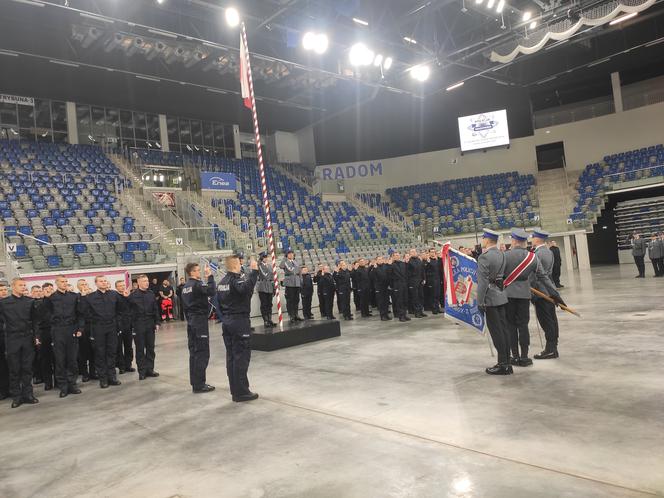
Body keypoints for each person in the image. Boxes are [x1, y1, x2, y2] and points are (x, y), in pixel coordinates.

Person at [504, 229, 564, 367]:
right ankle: (525, 356)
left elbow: (534, 277)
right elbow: (545, 275)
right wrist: (555, 293)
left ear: (513, 241)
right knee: (525, 325)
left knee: (514, 325)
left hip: (529, 293)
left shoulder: (508, 255)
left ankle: (517, 355)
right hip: (530, 293)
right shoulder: (547, 252)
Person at [217, 254, 259, 402]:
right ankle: (241, 392)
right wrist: (254, 272)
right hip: (239, 321)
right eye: (240, 264)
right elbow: (245, 291)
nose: (241, 266)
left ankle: (235, 390)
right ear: (235, 265)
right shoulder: (236, 280)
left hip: (227, 321)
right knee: (241, 357)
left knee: (232, 357)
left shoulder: (222, 282)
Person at [0, 278, 41, 408]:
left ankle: (28, 394)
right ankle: (16, 396)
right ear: (13, 286)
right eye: (20, 285)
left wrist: (36, 336)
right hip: (12, 339)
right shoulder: (3, 303)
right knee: (14, 369)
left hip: (27, 338)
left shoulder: (30, 301)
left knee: (27, 368)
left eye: (24, 285)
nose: (23, 287)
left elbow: (35, 321)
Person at [476, 229, 511, 375]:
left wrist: (480, 301)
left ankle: (503, 365)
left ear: (488, 240)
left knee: (497, 333)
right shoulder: (501, 254)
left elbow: (483, 282)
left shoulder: (484, 257)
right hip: (501, 295)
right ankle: (507, 362)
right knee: (504, 330)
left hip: (490, 298)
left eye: (483, 237)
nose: (482, 240)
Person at [43, 275, 85, 398]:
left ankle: (72, 384)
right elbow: (45, 314)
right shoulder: (50, 298)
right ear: (56, 283)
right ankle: (63, 386)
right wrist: (55, 322)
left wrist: (80, 329)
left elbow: (80, 314)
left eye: (66, 281)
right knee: (60, 360)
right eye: (62, 281)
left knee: (72, 359)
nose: (65, 283)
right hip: (58, 331)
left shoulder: (74, 296)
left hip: (72, 329)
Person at [81, 276, 124, 389]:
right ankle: (103, 379)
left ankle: (112, 377)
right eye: (101, 281)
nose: (104, 282)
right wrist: (95, 320)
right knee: (100, 353)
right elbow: (84, 311)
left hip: (112, 327)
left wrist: (117, 322)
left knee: (112, 352)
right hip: (98, 327)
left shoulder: (114, 294)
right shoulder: (90, 297)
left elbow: (121, 309)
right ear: (96, 283)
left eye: (105, 281)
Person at [181, 262, 216, 393]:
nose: (199, 272)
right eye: (197, 270)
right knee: (202, 352)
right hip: (199, 321)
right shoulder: (197, 284)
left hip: (191, 320)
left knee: (194, 353)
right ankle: (200, 384)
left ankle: (195, 382)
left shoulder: (185, 287)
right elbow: (212, 291)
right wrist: (210, 277)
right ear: (191, 273)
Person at [530, 230, 563, 359]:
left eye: (533, 237)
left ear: (538, 239)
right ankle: (553, 347)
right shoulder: (548, 251)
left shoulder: (538, 254)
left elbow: (536, 275)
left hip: (541, 292)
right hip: (549, 289)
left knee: (546, 320)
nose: (531, 239)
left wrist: (531, 291)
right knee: (552, 319)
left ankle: (550, 349)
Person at [127, 275, 160, 380]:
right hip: (138, 324)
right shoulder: (132, 296)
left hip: (150, 323)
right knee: (140, 349)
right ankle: (142, 371)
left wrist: (157, 322)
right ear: (138, 282)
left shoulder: (151, 294)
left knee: (150, 348)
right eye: (144, 281)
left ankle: (150, 369)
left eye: (147, 281)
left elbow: (155, 309)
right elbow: (128, 312)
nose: (147, 283)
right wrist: (132, 325)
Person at [76, 279, 96, 382]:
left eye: (85, 284)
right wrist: (83, 297)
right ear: (78, 287)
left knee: (94, 351)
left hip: (93, 326)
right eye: (82, 284)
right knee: (83, 352)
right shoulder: (77, 297)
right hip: (83, 328)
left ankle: (93, 372)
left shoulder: (93, 297)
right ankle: (85, 373)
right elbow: (80, 311)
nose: (84, 286)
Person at [37, 282, 55, 391]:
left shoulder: (56, 301)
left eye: (51, 289)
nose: (50, 291)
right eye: (47, 290)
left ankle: (58, 381)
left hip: (56, 331)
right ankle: (48, 382)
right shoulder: (38, 303)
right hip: (44, 332)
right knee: (45, 359)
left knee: (58, 358)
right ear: (43, 291)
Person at [114, 280, 135, 375]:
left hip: (128, 325)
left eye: (123, 285)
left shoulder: (128, 296)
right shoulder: (114, 297)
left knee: (128, 346)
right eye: (120, 286)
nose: (122, 287)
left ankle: (128, 365)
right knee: (119, 347)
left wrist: (128, 297)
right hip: (118, 326)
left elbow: (132, 307)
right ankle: (121, 366)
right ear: (116, 287)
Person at [280, 250, 302, 323]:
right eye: (289, 254)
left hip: (296, 282)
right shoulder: (285, 262)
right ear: (287, 255)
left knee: (296, 299)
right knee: (290, 300)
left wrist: (300, 281)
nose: (291, 255)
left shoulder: (295, 262)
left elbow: (299, 272)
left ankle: (296, 314)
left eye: (292, 253)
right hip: (289, 282)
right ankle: (291, 315)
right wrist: (285, 258)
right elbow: (281, 266)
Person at [257, 252, 276, 327]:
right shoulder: (260, 266)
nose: (266, 258)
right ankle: (265, 320)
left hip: (269, 286)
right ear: (261, 258)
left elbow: (273, 276)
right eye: (264, 257)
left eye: (266, 257)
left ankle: (269, 319)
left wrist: (274, 286)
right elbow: (265, 275)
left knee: (269, 304)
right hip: (263, 286)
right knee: (264, 304)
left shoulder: (270, 266)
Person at [30, 285, 44, 386]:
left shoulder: (45, 302)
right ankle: (38, 375)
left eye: (39, 291)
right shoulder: (30, 304)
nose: (38, 293)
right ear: (32, 293)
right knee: (36, 356)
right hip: (35, 332)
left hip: (46, 331)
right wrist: (36, 335)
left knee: (45, 355)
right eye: (36, 291)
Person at [390, 252, 410, 322]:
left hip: (404, 284)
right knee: (399, 301)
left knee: (405, 300)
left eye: (398, 255)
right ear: (393, 257)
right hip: (397, 285)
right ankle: (400, 316)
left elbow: (407, 273)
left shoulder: (403, 264)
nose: (397, 256)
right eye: (395, 255)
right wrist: (392, 286)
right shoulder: (391, 265)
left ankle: (404, 314)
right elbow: (390, 277)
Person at [407, 249, 426, 318]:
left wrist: (424, 278)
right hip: (413, 281)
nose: (414, 253)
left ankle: (421, 311)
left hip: (420, 281)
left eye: (415, 251)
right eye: (412, 252)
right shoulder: (409, 261)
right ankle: (417, 312)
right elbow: (408, 274)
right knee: (415, 297)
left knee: (421, 296)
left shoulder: (419, 260)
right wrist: (410, 283)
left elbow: (422, 270)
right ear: (410, 253)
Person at [371, 256, 392, 321]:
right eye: (379, 259)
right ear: (376, 261)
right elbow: (372, 277)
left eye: (381, 259)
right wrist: (374, 269)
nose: (380, 260)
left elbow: (388, 275)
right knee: (381, 302)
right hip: (379, 288)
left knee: (386, 302)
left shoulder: (385, 266)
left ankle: (386, 315)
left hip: (386, 286)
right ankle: (382, 315)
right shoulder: (374, 268)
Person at [424, 248, 442, 315]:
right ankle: (434, 309)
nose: (433, 253)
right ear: (429, 253)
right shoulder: (428, 261)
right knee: (432, 295)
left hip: (437, 280)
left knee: (437, 295)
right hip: (431, 280)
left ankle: (437, 308)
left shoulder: (437, 260)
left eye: (434, 252)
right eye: (431, 252)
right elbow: (425, 271)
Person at [0, 281, 9, 401]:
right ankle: (3, 390)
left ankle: (13, 388)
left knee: (12, 365)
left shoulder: (10, 304)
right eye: (1, 290)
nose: (3, 292)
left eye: (5, 290)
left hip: (10, 337)